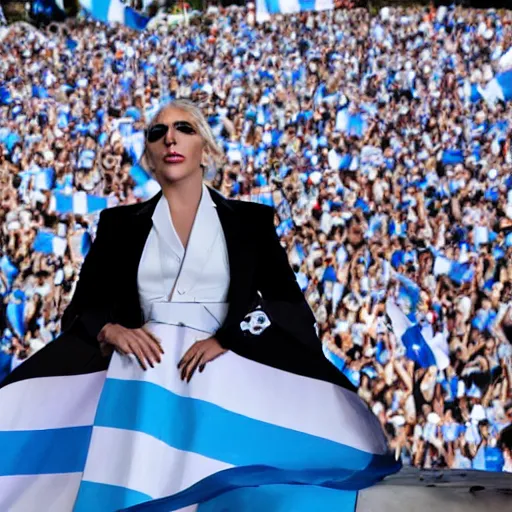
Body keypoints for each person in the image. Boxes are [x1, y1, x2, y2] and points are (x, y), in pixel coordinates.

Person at [0, 100, 399, 512]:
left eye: (184, 129)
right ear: (150, 157)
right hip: (141, 388)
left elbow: (289, 307)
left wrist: (230, 336)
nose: (170, 138)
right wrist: (110, 330)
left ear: (205, 148)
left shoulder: (250, 221)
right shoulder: (118, 225)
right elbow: (80, 311)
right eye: (158, 133)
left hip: (225, 382)